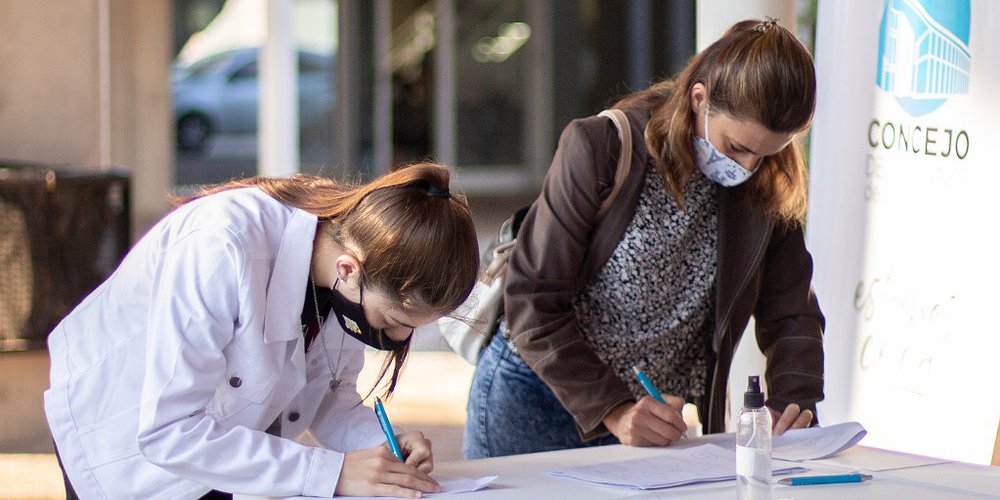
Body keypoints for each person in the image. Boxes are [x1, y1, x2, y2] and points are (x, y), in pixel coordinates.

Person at [464, 18, 825, 458]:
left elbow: (792, 312)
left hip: (651, 421)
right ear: (699, 99)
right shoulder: (601, 146)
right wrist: (614, 410)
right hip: (535, 400)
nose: (748, 167)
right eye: (736, 147)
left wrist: (794, 402)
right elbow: (532, 298)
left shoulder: (769, 178)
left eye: (766, 153)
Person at [44, 163, 479, 499]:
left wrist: (384, 443)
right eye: (392, 322)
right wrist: (333, 473)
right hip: (120, 436)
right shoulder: (221, 245)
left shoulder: (343, 268)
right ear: (350, 269)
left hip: (218, 443)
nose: (396, 340)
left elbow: (329, 393)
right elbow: (169, 432)